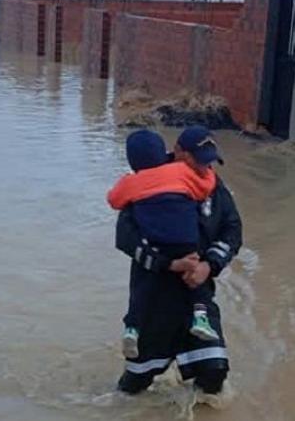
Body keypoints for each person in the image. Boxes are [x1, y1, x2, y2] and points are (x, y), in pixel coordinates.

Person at [113, 126, 242, 398]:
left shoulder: (213, 186)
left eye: (210, 161)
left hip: (198, 295)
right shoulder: (147, 182)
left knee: (214, 374)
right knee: (134, 387)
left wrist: (209, 266)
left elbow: (232, 231)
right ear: (179, 152)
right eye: (199, 160)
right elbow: (125, 237)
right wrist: (167, 264)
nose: (205, 167)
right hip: (154, 295)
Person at [106, 130, 221, 360]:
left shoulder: (132, 182)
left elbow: (114, 200)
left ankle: (132, 328)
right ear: (173, 152)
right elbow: (205, 188)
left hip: (155, 246)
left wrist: (132, 184)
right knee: (195, 277)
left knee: (142, 287)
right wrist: (208, 179)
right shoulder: (183, 172)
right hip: (187, 241)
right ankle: (201, 317)